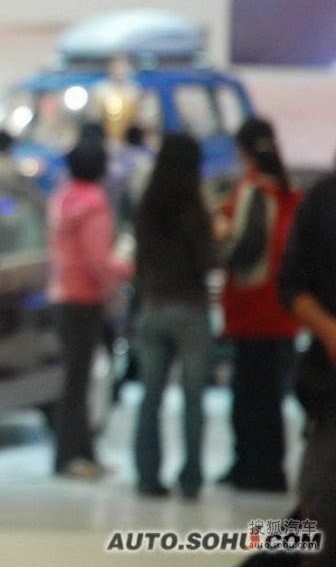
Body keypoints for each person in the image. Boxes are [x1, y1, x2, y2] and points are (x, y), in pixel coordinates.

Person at [215, 118, 301, 493]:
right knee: (271, 396)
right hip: (283, 309)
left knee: (249, 394)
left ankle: (253, 468)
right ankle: (269, 466)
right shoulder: (289, 192)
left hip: (251, 306)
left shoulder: (253, 190)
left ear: (242, 150)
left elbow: (247, 247)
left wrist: (221, 247)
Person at [132, 133, 214, 499]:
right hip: (190, 308)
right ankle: (191, 477)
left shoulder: (146, 206)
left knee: (150, 397)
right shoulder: (193, 208)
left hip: (153, 306)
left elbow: (138, 261)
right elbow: (207, 261)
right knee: (193, 399)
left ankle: (147, 474)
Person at [48, 136, 132, 478]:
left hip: (62, 294)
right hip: (85, 298)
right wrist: (127, 269)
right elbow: (98, 260)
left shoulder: (62, 197)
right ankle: (72, 457)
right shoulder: (95, 203)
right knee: (79, 382)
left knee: (74, 380)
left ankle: (80, 453)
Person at [278, 169, 336, 567]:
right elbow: (291, 282)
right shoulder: (324, 200)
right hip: (329, 392)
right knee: (321, 525)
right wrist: (330, 331)